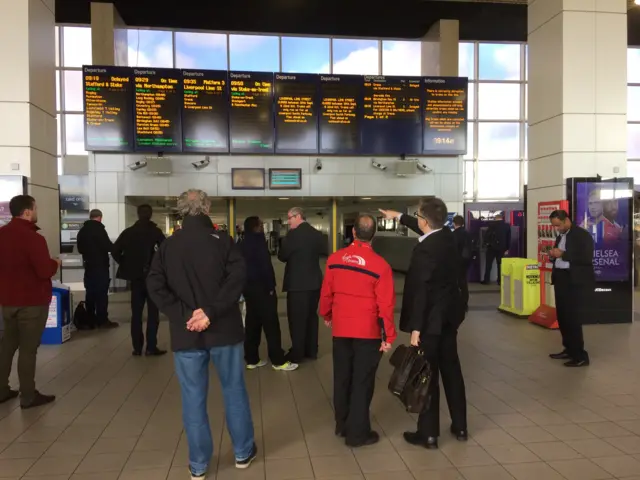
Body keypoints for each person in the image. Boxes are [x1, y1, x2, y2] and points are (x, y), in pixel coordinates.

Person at [146, 189, 256, 478]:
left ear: (181, 211)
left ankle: (198, 465)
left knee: (193, 399)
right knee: (234, 391)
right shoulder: (223, 242)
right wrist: (211, 311)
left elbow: (155, 285)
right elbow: (237, 279)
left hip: (186, 334)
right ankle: (243, 453)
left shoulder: (169, 246)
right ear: (207, 209)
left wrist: (186, 315)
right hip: (225, 332)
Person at [380, 199, 467, 450]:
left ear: (425, 221)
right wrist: (400, 216)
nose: (417, 219)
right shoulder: (448, 237)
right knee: (452, 370)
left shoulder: (424, 251)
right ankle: (460, 426)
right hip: (449, 319)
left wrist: (416, 328)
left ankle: (428, 434)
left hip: (430, 322)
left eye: (417, 216)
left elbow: (421, 292)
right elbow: (428, 229)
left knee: (427, 375)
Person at [320, 214, 396, 448]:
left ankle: (341, 425)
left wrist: (327, 314)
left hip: (341, 329)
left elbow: (326, 294)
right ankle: (357, 434)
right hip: (368, 332)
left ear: (353, 232)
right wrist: (388, 336)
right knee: (362, 381)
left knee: (342, 377)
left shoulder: (334, 259)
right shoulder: (381, 266)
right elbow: (386, 305)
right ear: (373, 235)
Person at [0, 195, 59, 408]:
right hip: (32, 302)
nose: (36, 211)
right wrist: (55, 263)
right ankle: (28, 395)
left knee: (7, 345)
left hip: (8, 302)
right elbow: (44, 271)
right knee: (28, 348)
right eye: (35, 208)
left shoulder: (2, 234)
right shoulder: (34, 238)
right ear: (27, 211)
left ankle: (1, 390)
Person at [239, 216, 298, 371]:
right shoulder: (259, 243)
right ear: (257, 227)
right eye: (261, 226)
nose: (262, 228)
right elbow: (265, 268)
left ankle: (251, 359)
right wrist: (271, 287)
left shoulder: (242, 244)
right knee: (271, 326)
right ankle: (278, 360)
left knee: (252, 324)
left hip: (249, 291)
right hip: (264, 292)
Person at [112, 204, 166, 356]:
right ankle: (151, 347)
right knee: (153, 313)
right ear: (150, 214)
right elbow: (165, 251)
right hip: (153, 278)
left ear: (137, 214)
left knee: (136, 314)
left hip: (136, 279)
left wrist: (125, 263)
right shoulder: (155, 232)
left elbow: (115, 251)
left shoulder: (128, 233)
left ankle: (137, 347)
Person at [278, 207, 325, 363]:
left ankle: (297, 353)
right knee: (311, 317)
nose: (288, 221)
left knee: (297, 320)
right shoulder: (316, 234)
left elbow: (282, 256)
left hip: (298, 284)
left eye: (290, 218)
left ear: (298, 216)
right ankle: (311, 350)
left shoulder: (293, 235)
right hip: (314, 283)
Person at [548, 210, 594, 367]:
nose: (557, 228)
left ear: (566, 220)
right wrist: (553, 254)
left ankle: (580, 355)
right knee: (562, 316)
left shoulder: (582, 235)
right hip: (561, 278)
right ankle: (568, 348)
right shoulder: (561, 235)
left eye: (558, 225)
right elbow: (559, 254)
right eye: (554, 226)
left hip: (574, 280)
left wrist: (563, 254)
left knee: (573, 318)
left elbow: (586, 257)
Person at [76, 209, 118, 328]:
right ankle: (102, 319)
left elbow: (80, 249)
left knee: (90, 292)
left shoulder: (82, 231)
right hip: (100, 266)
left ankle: (90, 318)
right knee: (101, 294)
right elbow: (108, 246)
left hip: (89, 266)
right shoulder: (100, 230)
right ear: (100, 217)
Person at [482, 213, 511, 285]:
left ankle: (486, 280)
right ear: (502, 218)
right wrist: (507, 248)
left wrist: (486, 244)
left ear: (496, 218)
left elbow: (486, 236)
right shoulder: (506, 226)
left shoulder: (491, 225)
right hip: (502, 248)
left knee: (488, 264)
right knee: (500, 265)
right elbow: (508, 238)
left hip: (491, 248)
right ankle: (500, 281)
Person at [452, 215, 473, 313]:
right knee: (463, 282)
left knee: (456, 283)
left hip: (457, 262)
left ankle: (457, 303)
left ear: (454, 223)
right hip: (466, 261)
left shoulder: (454, 235)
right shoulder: (467, 233)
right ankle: (465, 304)